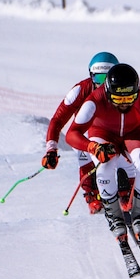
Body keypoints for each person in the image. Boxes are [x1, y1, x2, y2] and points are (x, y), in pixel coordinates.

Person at [65, 63, 140, 244]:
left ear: (137, 91)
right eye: (118, 99)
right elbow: (72, 134)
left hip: (135, 133)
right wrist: (92, 147)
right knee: (105, 165)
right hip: (103, 134)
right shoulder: (94, 100)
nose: (124, 103)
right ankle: (114, 215)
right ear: (107, 91)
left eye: (129, 98)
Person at [42, 51, 120, 214]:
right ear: (91, 76)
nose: (103, 85)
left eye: (108, 78)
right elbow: (57, 120)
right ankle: (92, 196)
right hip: (85, 133)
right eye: (98, 79)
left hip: (111, 131)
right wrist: (51, 148)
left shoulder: (123, 87)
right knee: (85, 157)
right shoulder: (80, 90)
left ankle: (125, 191)